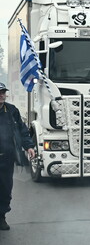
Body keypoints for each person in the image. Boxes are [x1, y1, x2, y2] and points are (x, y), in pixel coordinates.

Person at [0, 82, 36, 231]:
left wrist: (28, 146)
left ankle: (1, 217)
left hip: (6, 158)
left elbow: (22, 130)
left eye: (3, 92)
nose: (1, 95)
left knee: (5, 189)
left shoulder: (12, 110)